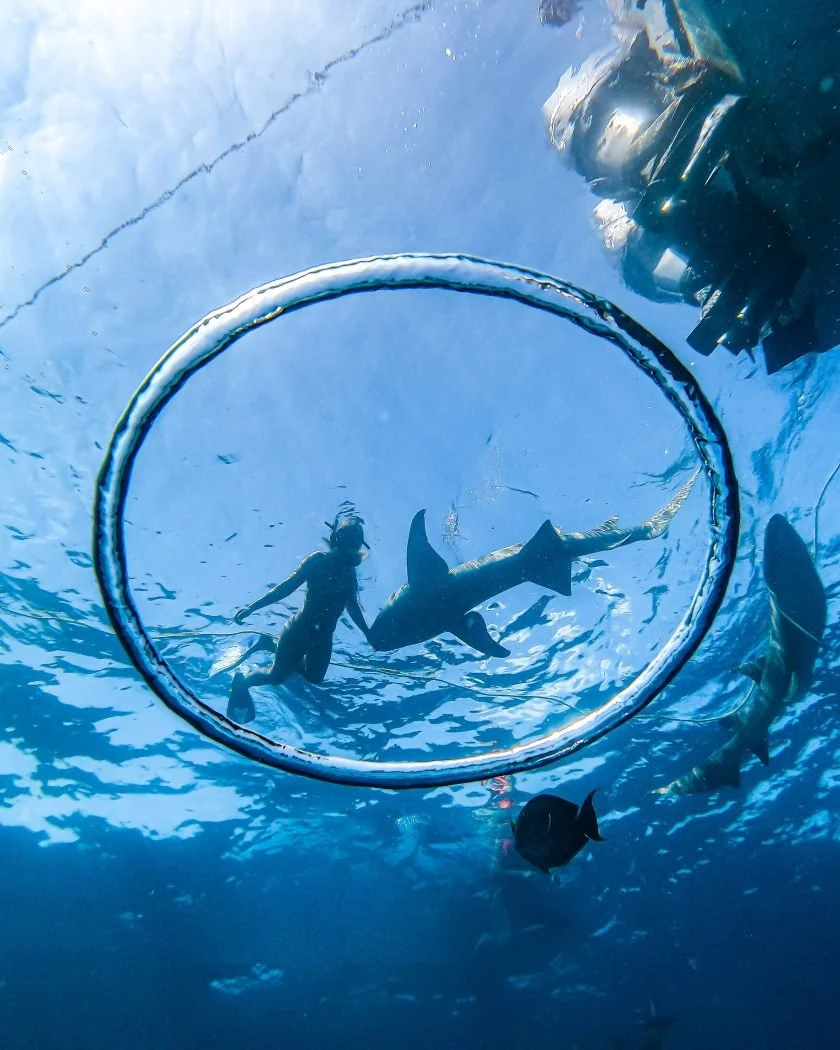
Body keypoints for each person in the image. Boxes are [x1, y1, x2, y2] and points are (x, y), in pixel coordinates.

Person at [227, 514, 371, 723]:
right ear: (337, 538)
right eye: (349, 538)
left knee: (314, 677)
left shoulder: (350, 574)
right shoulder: (318, 560)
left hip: (323, 638)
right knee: (276, 677)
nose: (353, 544)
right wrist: (253, 607)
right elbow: (287, 587)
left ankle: (273, 645)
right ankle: (243, 683)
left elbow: (353, 607)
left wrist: (367, 633)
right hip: (299, 630)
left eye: (357, 541)